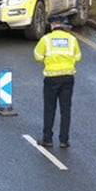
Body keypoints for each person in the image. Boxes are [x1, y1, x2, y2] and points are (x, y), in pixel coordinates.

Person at [34, 15, 81, 148]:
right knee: (65, 110)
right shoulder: (72, 39)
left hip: (51, 78)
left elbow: (37, 56)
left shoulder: (46, 39)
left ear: (52, 25)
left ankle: (47, 139)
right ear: (62, 25)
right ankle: (64, 140)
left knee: (49, 108)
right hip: (67, 77)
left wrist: (48, 59)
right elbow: (78, 57)